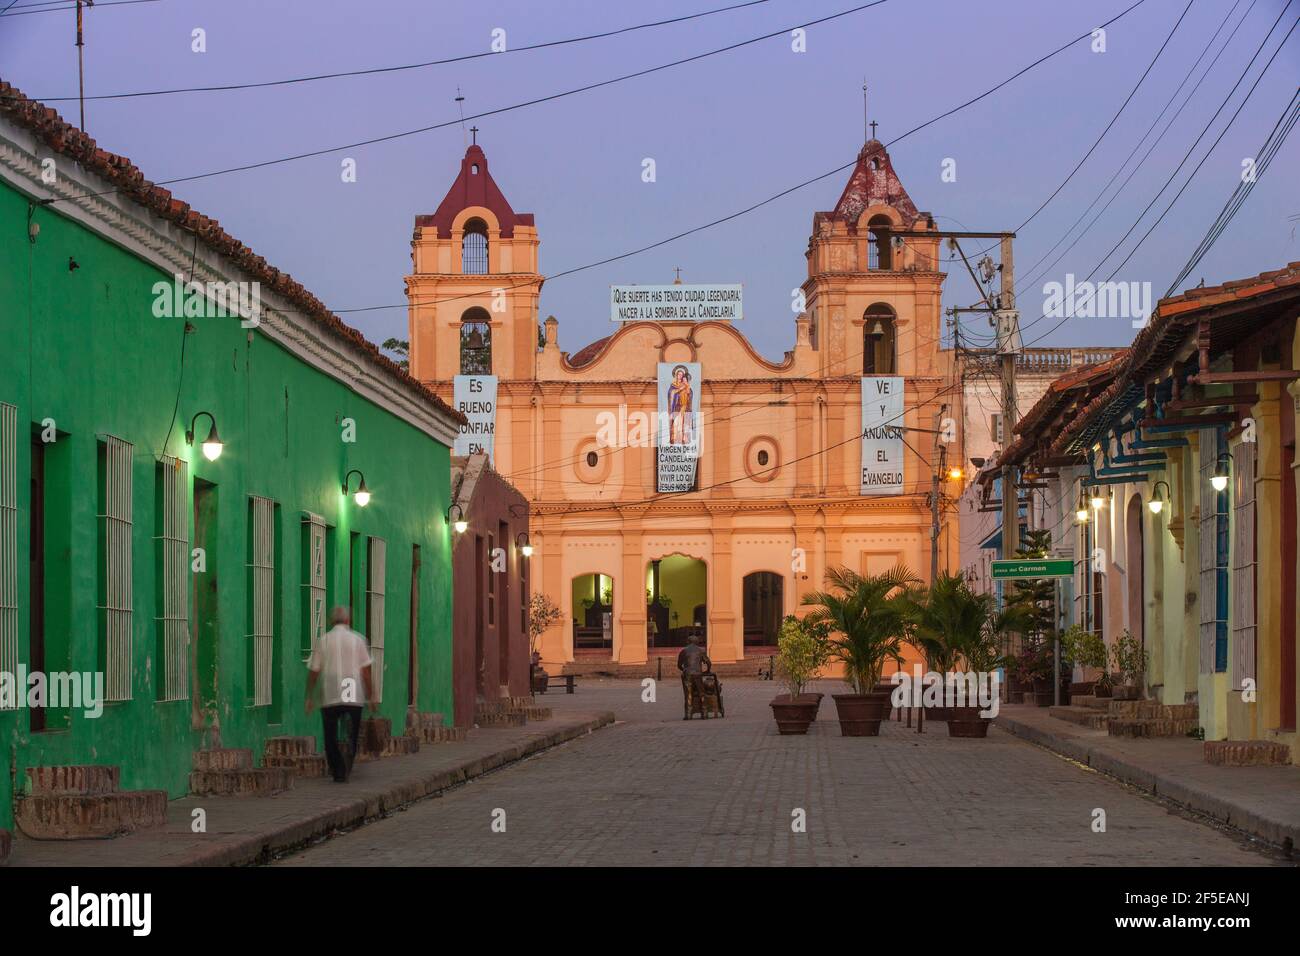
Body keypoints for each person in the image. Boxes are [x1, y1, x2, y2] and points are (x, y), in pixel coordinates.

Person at [306, 606, 375, 782]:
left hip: (330, 689)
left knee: (330, 734)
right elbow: (366, 671)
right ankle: (349, 756)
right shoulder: (358, 639)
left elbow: (314, 671)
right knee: (352, 730)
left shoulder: (324, 640)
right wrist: (371, 694)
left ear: (331, 621)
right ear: (348, 621)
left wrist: (309, 695)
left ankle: (338, 769)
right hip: (351, 687)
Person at [677, 633, 711, 720]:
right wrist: (707, 671)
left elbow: (679, 665)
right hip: (698, 673)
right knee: (701, 693)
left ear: (688, 642)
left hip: (687, 673)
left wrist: (684, 670)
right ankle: (705, 713)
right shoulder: (701, 650)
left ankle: (688, 714)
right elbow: (708, 663)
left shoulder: (684, 651)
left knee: (688, 694)